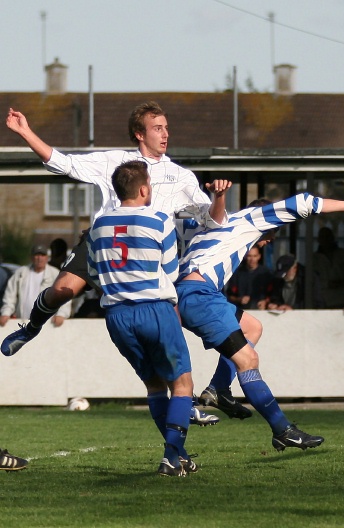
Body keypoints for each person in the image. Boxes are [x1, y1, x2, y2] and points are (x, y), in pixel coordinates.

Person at [3, 103, 226, 426]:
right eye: (158, 128)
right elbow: (62, 163)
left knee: (166, 324)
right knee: (62, 290)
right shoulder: (114, 161)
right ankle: (32, 327)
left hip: (149, 257)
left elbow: (212, 222)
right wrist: (25, 131)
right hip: (106, 244)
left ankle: (184, 399)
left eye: (166, 127)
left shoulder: (180, 176)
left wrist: (218, 198)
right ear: (139, 133)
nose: (166, 133)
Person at [177, 193, 344, 451]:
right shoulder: (253, 218)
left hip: (185, 294)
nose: (271, 240)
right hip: (199, 296)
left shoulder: (220, 224)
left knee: (252, 327)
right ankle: (283, 430)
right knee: (248, 360)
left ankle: (218, 389)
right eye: (274, 232)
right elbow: (305, 202)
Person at [87, 160, 196, 477]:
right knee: (182, 383)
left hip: (117, 315)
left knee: (153, 386)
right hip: (154, 308)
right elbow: (172, 271)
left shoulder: (98, 226)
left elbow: (94, 274)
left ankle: (180, 456)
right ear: (145, 188)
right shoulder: (159, 219)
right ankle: (171, 457)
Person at [0, 245, 71, 328]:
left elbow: (64, 294)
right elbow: (10, 294)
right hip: (22, 322)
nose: (39, 258)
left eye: (42, 255)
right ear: (31, 257)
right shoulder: (21, 272)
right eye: (36, 255)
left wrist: (61, 314)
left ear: (47, 258)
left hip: (48, 324)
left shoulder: (55, 274)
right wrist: (6, 312)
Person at [313, 227, 344, 309]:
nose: (325, 240)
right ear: (318, 240)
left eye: (328, 237)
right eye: (323, 237)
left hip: (343, 299)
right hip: (323, 301)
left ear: (333, 238)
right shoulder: (314, 259)